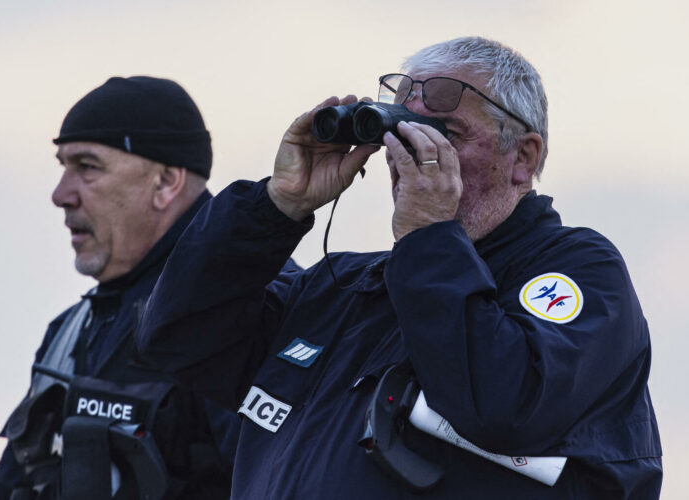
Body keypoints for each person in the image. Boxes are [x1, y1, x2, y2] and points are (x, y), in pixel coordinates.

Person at [136, 37, 662, 499]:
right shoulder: (341, 290)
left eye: (444, 133)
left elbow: (501, 406)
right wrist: (277, 205)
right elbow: (179, 340)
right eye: (399, 130)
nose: (409, 150)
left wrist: (429, 238)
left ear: (522, 157)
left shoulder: (581, 271)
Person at [0, 76, 247, 500]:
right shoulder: (69, 335)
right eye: (62, 167)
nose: (60, 195)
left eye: (87, 167)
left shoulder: (250, 310)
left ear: (165, 183)